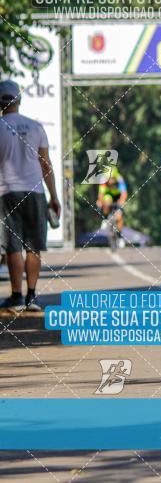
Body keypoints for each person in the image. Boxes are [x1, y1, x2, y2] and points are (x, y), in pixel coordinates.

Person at [0, 80, 61, 312]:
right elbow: (46, 165)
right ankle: (32, 297)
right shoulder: (36, 127)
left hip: (6, 194)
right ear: (19, 100)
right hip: (35, 192)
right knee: (33, 246)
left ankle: (16, 297)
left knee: (13, 247)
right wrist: (54, 196)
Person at [96, 166, 128, 238]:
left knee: (119, 216)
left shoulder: (119, 179)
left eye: (112, 178)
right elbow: (101, 195)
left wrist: (122, 202)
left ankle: (119, 235)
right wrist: (101, 202)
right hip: (108, 195)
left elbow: (124, 194)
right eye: (109, 179)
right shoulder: (103, 180)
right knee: (106, 202)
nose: (110, 181)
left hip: (117, 196)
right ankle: (105, 219)